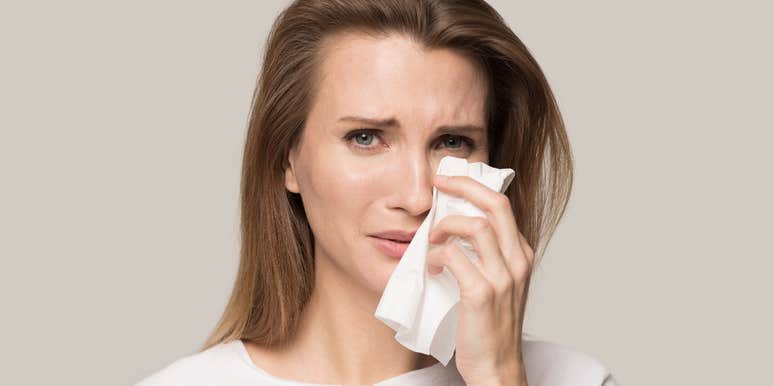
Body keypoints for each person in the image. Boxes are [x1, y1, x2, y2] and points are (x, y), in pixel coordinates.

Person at [137, 0, 618, 385]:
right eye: (365, 138)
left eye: (452, 142)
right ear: (288, 159)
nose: (416, 197)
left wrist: (498, 378)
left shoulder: (573, 379)